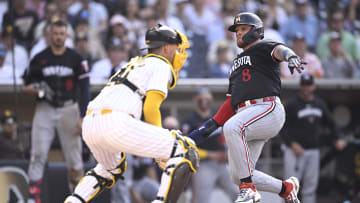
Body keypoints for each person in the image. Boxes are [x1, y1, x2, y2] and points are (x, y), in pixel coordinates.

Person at [64, 24, 199, 203]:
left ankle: (74, 201)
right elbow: (150, 108)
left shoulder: (135, 62)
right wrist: (160, 149)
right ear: (166, 48)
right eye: (177, 48)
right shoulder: (161, 63)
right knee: (185, 150)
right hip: (116, 121)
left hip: (91, 123)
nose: (180, 54)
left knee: (109, 169)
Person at [188, 12, 306, 203]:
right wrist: (208, 127)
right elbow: (231, 102)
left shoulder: (262, 47)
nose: (238, 33)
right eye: (236, 31)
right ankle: (285, 188)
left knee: (232, 128)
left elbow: (279, 50)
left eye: (243, 29)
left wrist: (290, 56)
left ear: (256, 31)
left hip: (267, 108)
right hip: (246, 115)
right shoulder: (235, 63)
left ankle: (249, 190)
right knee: (238, 175)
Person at [22, 20, 90, 203]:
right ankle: (33, 198)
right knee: (37, 154)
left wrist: (83, 116)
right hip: (45, 108)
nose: (58, 37)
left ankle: (78, 197)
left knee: (74, 158)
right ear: (49, 35)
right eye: (55, 33)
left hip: (69, 108)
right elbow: (26, 85)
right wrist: (40, 90)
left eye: (61, 33)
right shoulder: (40, 58)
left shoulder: (76, 58)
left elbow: (85, 88)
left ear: (66, 35)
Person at [281, 73, 346, 203]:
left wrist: (338, 138)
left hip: (313, 151)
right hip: (294, 151)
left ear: (313, 86)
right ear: (300, 86)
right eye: (304, 85)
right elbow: (282, 127)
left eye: (308, 85)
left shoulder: (319, 104)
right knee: (290, 187)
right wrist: (291, 143)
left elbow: (331, 123)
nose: (306, 88)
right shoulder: (292, 105)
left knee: (310, 187)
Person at [181, 88, 238, 203]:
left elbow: (224, 136)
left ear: (211, 99)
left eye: (207, 97)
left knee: (238, 194)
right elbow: (185, 147)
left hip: (222, 164)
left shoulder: (216, 115)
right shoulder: (190, 120)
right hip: (202, 165)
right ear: (195, 99)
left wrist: (228, 151)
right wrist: (211, 155)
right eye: (201, 98)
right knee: (201, 200)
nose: (204, 100)